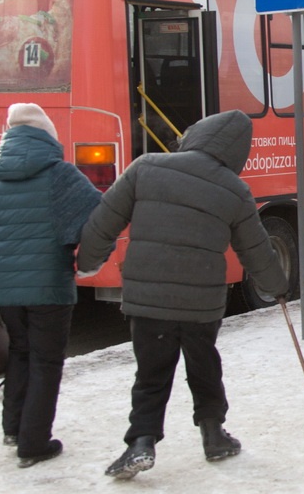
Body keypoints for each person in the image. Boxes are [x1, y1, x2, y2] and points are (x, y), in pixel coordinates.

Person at [76, 110, 288, 480]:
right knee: (204, 365)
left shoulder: (146, 168)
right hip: (201, 303)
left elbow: (103, 220)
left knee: (151, 372)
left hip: (148, 298)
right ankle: (214, 435)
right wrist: (276, 287)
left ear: (195, 135)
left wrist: (89, 262)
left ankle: (141, 442)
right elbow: (257, 251)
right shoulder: (234, 190)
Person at [0, 103, 102, 468]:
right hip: (49, 288)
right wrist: (84, 258)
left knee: (20, 352)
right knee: (46, 361)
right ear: (47, 136)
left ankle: (13, 428)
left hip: (5, 290)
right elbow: (99, 214)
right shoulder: (61, 175)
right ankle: (34, 442)